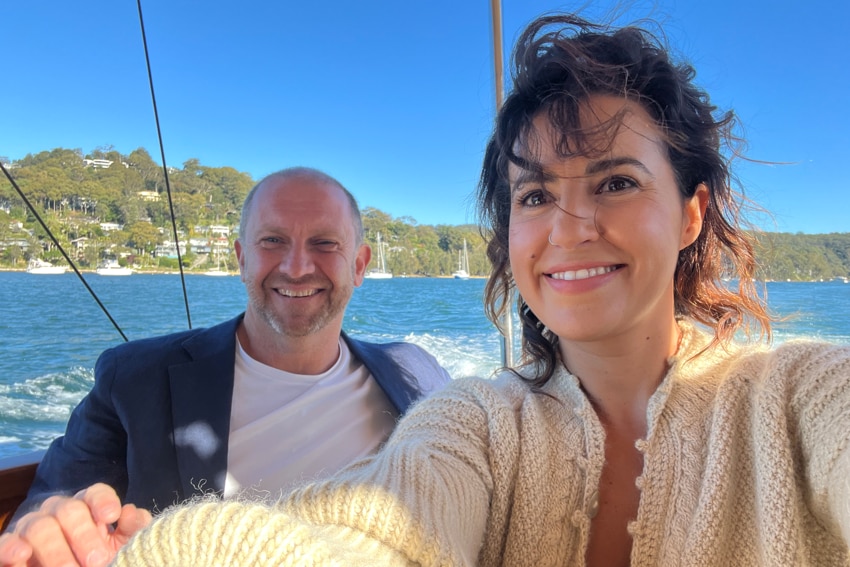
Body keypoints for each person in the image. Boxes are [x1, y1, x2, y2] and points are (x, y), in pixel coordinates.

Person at [9, 12, 850, 566]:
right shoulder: (475, 420)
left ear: (693, 211)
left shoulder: (801, 397)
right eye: (533, 194)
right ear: (238, 255)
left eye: (617, 181)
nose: (568, 225)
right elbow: (383, 533)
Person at [0, 167, 450, 566]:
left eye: (324, 243)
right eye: (273, 241)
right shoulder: (135, 379)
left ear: (359, 265)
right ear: (240, 258)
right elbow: (48, 502)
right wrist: (55, 529)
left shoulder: (417, 372)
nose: (296, 267)